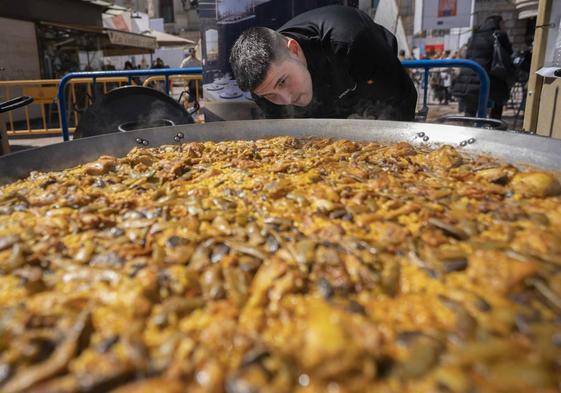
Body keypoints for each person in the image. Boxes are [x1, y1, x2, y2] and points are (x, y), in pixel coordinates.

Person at [229, 5, 417, 121]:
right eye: (271, 95)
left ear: (293, 49)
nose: (286, 100)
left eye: (283, 82)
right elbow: (283, 133)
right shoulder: (262, 86)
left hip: (366, 73)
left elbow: (400, 101)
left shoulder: (351, 41)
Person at [452, 15, 513, 119]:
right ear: (498, 23)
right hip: (489, 77)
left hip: (467, 80)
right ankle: (493, 128)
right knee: (498, 101)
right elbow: (509, 53)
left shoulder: (473, 37)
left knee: (470, 110)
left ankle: (468, 129)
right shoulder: (499, 35)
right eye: (503, 23)